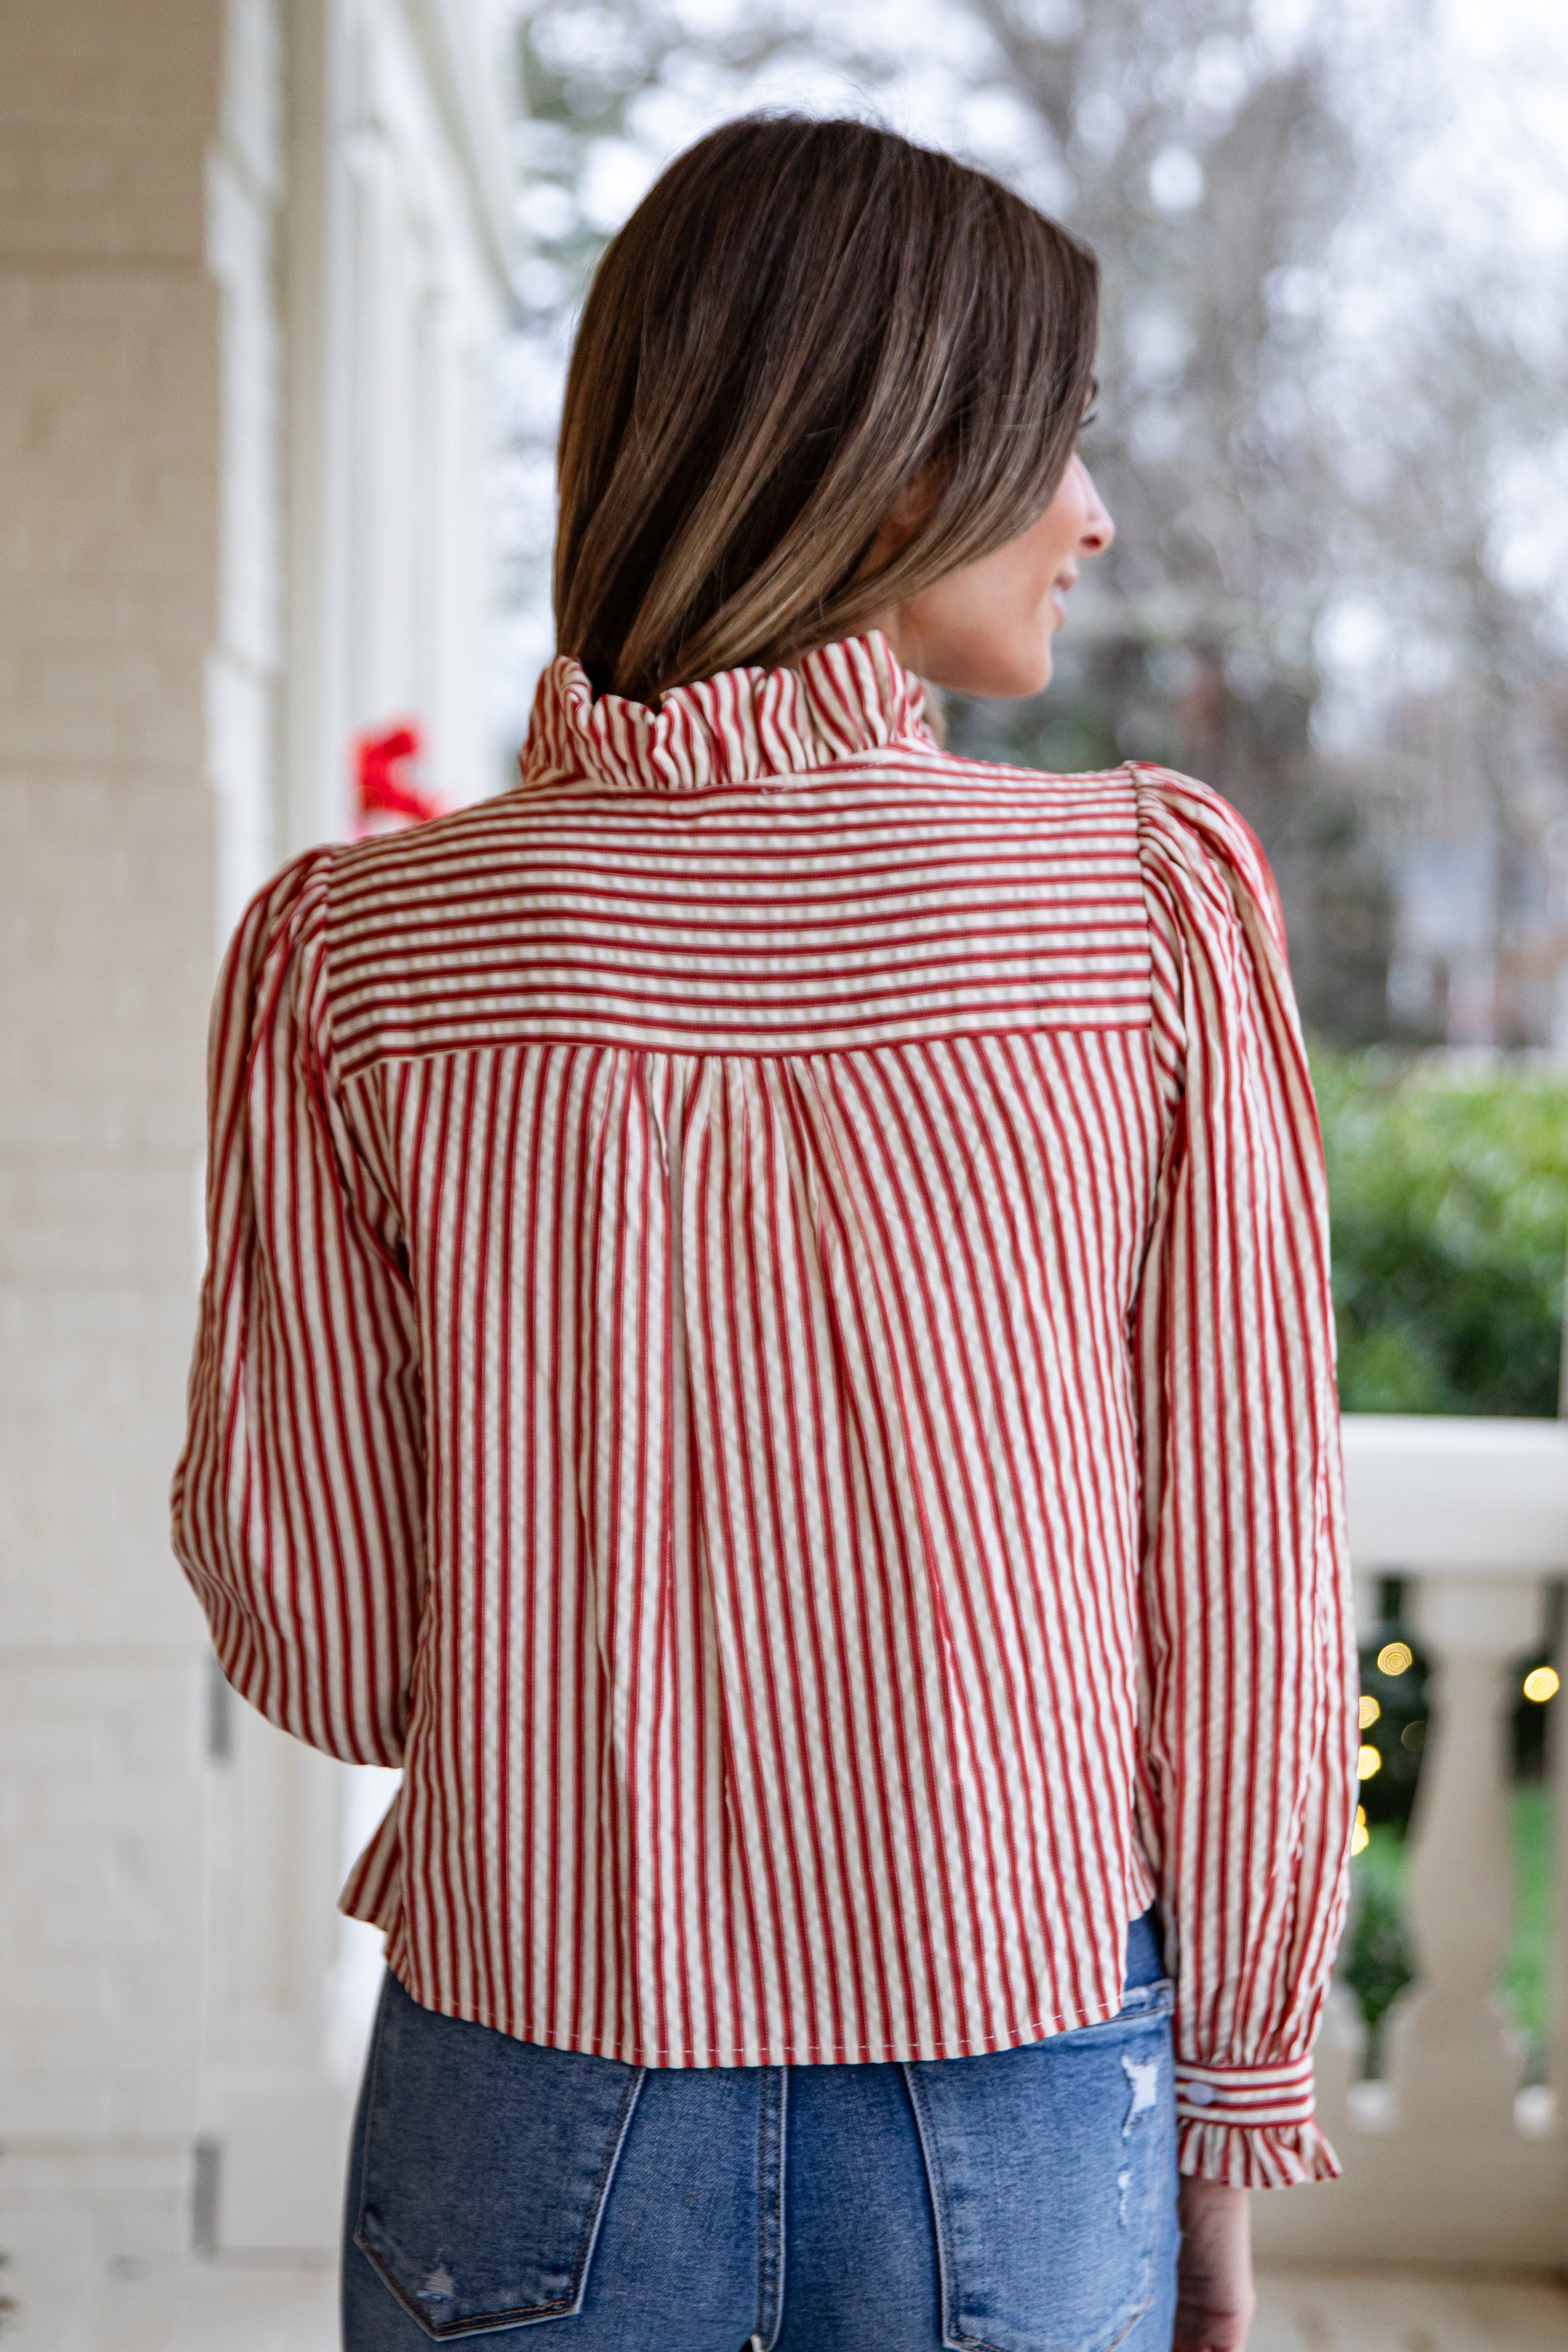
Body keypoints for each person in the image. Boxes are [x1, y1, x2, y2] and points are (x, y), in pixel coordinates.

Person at [172, 114, 1356, 2352]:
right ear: (895, 474)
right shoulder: (1144, 909)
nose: (1092, 518)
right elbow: (1248, 1583)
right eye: (1057, 450)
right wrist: (1229, 2112)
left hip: (531, 2070)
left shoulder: (361, 954)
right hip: (1018, 2075)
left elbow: (320, 1642)